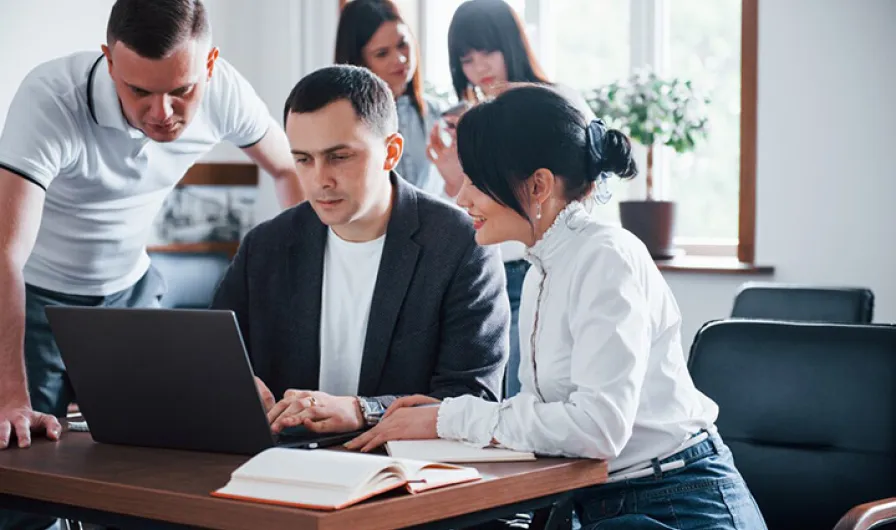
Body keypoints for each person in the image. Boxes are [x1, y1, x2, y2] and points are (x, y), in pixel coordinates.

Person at [347, 85, 768, 530]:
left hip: (676, 504)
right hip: (598, 501)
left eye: (475, 180)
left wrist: (449, 417)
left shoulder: (607, 257)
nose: (462, 198)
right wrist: (440, 419)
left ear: (538, 185)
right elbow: (546, 416)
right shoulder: (541, 270)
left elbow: (597, 428)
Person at [210, 65, 509, 438]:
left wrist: (363, 410)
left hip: (403, 473)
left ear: (391, 152)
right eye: (303, 159)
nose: (320, 180)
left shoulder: (462, 246)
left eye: (339, 157)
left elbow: (473, 398)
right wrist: (230, 388)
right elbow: (211, 361)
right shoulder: (264, 247)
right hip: (282, 465)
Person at [429, 0, 597, 400]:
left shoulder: (556, 104)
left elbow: (583, 195)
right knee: (495, 396)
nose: (479, 68)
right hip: (485, 274)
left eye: (487, 52)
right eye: (466, 59)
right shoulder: (466, 120)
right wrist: (455, 177)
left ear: (512, 44)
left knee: (531, 397)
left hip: (536, 266)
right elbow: (459, 211)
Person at [334, 0, 444, 196]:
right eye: (382, 53)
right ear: (358, 62)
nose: (400, 59)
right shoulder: (341, 124)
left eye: (402, 45)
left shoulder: (440, 115)